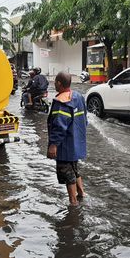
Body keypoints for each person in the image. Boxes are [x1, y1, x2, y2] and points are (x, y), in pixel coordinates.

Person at [47, 71, 87, 206]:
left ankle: (73, 202)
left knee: (67, 172)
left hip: (65, 144)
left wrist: (53, 145)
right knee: (75, 169)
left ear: (59, 83)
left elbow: (59, 126)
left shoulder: (62, 102)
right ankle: (82, 194)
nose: (54, 84)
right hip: (76, 142)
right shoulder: (78, 96)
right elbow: (85, 119)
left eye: (55, 82)